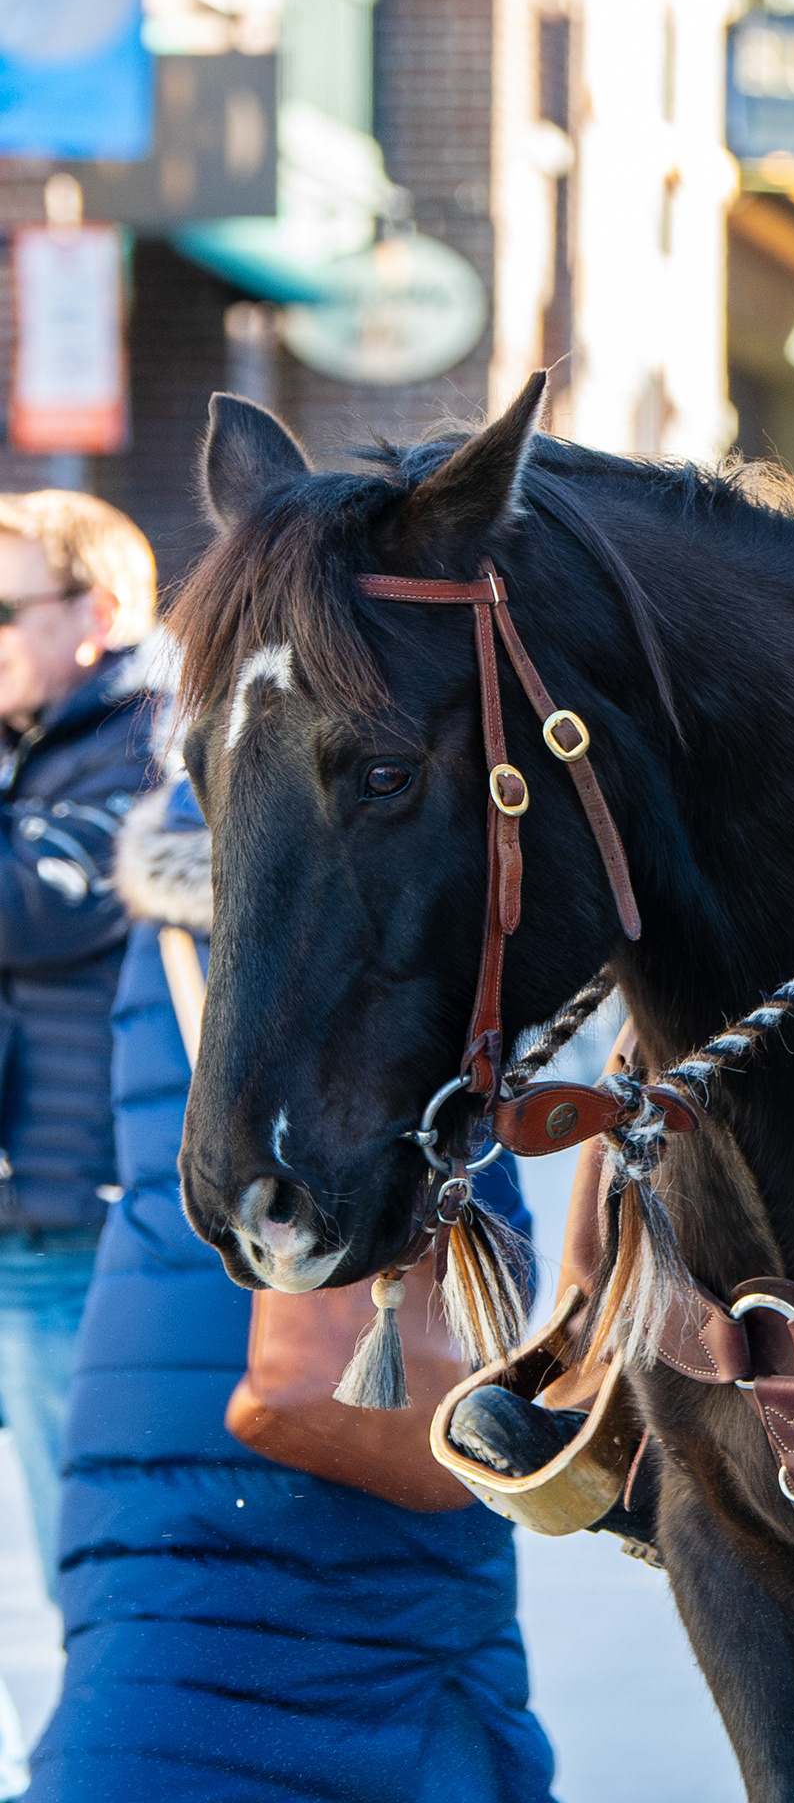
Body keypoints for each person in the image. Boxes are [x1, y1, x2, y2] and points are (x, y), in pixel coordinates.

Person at [32, 783, 552, 1800]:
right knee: (410, 1704)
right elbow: (480, 1206)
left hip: (148, 1385)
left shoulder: (175, 898)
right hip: (360, 1393)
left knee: (157, 1709)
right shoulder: (396, 902)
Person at [0, 493, 159, 1590]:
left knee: (80, 1545)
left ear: (93, 611)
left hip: (71, 1209)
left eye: (3, 609)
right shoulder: (39, 738)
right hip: (28, 1197)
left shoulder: (152, 734)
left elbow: (36, 899)